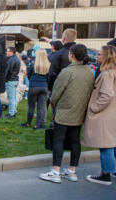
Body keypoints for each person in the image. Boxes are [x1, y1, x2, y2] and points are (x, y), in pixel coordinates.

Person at [40, 44, 94, 184]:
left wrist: (53, 104)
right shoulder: (88, 71)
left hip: (64, 111)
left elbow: (56, 93)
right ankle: (71, 171)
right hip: (79, 111)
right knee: (75, 141)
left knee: (58, 141)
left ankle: (55, 172)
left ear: (72, 55)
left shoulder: (67, 72)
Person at [82, 45, 116, 185]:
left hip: (104, 114)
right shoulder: (112, 72)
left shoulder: (107, 73)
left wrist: (94, 108)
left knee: (105, 144)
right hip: (111, 113)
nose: (97, 56)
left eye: (100, 54)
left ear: (107, 57)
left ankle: (105, 174)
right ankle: (112, 170)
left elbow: (107, 95)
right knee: (111, 143)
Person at [21, 49, 49, 129]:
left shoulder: (33, 64)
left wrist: (33, 81)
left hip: (34, 86)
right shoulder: (48, 65)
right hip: (44, 87)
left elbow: (28, 75)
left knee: (31, 106)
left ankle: (28, 123)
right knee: (41, 107)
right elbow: (49, 77)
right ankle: (38, 125)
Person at [5, 47, 21, 118]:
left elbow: (8, 71)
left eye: (8, 51)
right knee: (13, 97)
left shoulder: (12, 60)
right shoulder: (15, 58)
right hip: (14, 80)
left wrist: (5, 79)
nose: (6, 52)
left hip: (11, 80)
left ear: (12, 52)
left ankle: (11, 113)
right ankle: (14, 111)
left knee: (11, 97)